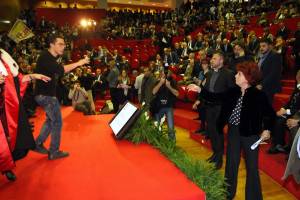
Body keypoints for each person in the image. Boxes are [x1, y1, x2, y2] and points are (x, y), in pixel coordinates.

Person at [222, 61, 275, 200]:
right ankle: (226, 194)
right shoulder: (233, 92)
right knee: (231, 164)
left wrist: (267, 129)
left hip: (250, 135)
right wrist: (200, 90)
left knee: (252, 168)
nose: (235, 76)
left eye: (239, 74)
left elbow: (270, 114)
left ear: (247, 77)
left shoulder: (259, 95)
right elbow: (216, 98)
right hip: (233, 131)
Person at [34, 34, 89, 160]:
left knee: (50, 120)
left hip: (45, 95)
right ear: (51, 44)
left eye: (64, 44)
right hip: (46, 96)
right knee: (57, 122)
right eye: (60, 44)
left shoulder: (50, 57)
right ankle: (54, 151)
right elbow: (62, 70)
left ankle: (37, 143)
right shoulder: (46, 57)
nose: (63, 47)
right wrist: (79, 63)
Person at [0, 49, 50, 181]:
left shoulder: (4, 56)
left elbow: (18, 80)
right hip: (3, 111)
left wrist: (34, 75)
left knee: (19, 141)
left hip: (11, 108)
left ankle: (7, 166)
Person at [193, 51, 235, 169]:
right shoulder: (209, 73)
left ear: (221, 61)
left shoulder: (228, 74)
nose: (211, 60)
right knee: (211, 131)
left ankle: (219, 159)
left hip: (220, 108)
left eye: (214, 59)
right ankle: (215, 154)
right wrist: (199, 100)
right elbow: (205, 89)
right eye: (211, 59)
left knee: (218, 133)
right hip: (209, 107)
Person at [152, 70, 178, 141]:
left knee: (170, 126)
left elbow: (177, 94)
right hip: (158, 107)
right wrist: (160, 83)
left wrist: (169, 86)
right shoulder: (158, 82)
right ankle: (157, 141)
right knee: (156, 125)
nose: (165, 75)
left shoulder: (172, 82)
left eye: (166, 74)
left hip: (168, 106)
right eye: (163, 74)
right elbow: (153, 92)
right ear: (160, 75)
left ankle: (172, 144)